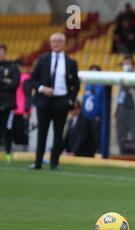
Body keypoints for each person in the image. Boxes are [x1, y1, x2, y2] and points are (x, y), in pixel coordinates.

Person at [29, 32, 80, 170]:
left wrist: (70, 100)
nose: (56, 44)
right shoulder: (42, 60)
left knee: (58, 133)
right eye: (54, 41)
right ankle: (38, 161)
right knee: (42, 132)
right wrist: (41, 88)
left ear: (64, 44)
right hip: (44, 100)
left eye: (59, 41)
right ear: (50, 44)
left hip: (61, 102)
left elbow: (76, 84)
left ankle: (54, 163)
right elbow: (32, 80)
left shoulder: (71, 62)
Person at [115, 55, 135, 153]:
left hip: (133, 109)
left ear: (132, 63)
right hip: (121, 109)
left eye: (128, 63)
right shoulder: (120, 76)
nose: (126, 65)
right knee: (121, 135)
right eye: (125, 63)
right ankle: (122, 153)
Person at [0, 44, 21, 162]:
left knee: (7, 129)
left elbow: (14, 84)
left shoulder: (12, 67)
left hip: (8, 105)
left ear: (5, 53)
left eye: (1, 52)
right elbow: (9, 84)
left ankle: (8, 153)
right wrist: (4, 81)